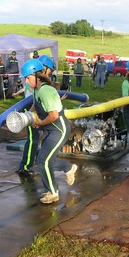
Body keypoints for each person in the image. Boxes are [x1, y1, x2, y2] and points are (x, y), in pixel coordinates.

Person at [21, 59, 77, 204]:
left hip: (59, 129)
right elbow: (35, 104)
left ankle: (53, 192)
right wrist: (30, 117)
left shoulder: (45, 90)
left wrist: (39, 122)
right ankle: (69, 168)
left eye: (28, 78)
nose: (26, 82)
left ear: (37, 75)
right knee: (44, 159)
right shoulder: (37, 90)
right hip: (51, 130)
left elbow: (53, 116)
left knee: (42, 161)